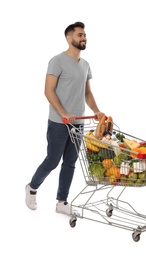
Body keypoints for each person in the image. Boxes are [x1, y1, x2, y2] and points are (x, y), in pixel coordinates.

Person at [25, 22, 103, 216]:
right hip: (59, 123)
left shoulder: (86, 65)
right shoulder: (57, 61)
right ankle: (32, 188)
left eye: (85, 35)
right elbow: (48, 91)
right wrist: (62, 113)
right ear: (69, 38)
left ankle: (62, 202)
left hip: (79, 123)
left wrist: (97, 110)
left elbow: (87, 93)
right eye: (79, 35)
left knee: (70, 162)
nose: (83, 38)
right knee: (52, 160)